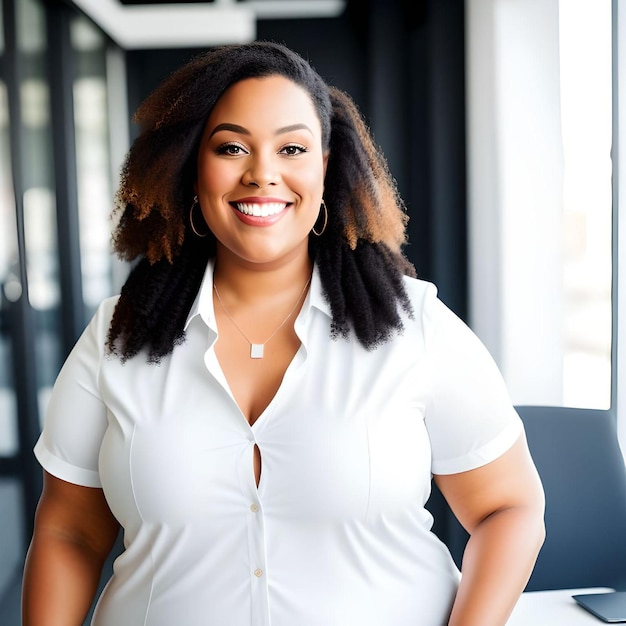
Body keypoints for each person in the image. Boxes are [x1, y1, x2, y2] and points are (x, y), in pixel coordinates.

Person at [21, 41, 545, 626]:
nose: (262, 173)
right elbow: (69, 530)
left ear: (326, 168)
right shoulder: (115, 338)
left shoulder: (414, 325)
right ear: (193, 170)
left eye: (291, 148)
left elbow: (510, 508)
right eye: (232, 147)